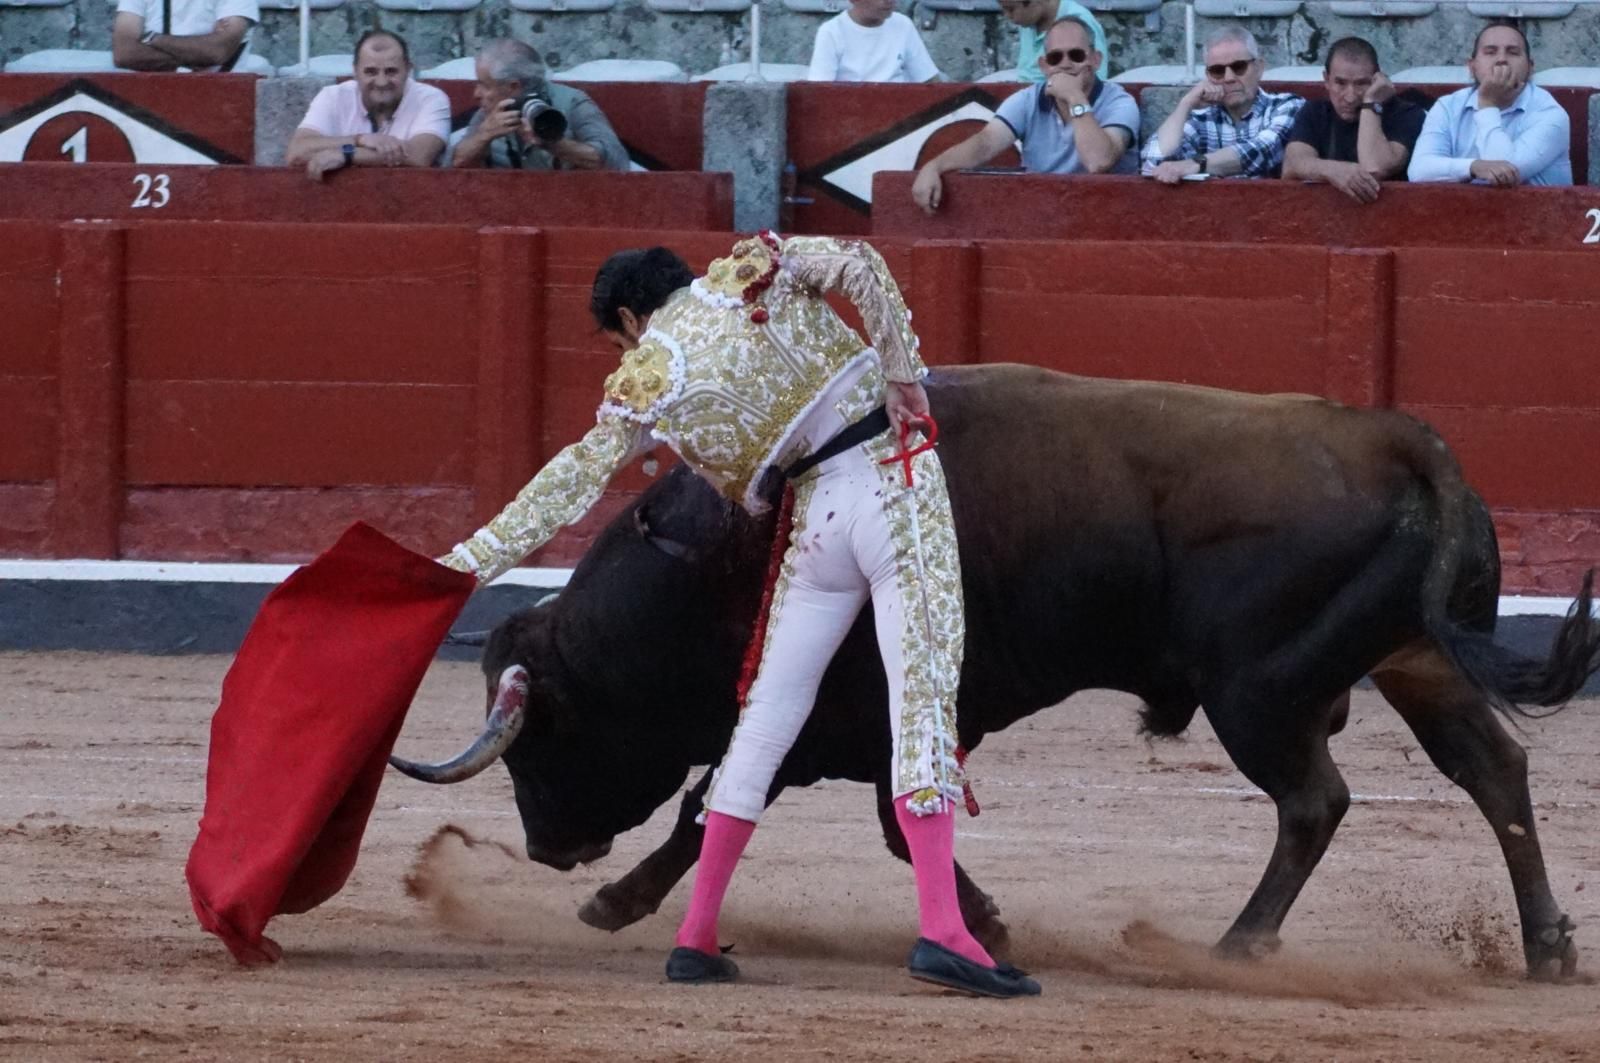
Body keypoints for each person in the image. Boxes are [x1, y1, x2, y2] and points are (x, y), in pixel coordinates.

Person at [440, 234, 1040, 999]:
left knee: (762, 723)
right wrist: (903, 376)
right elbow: (861, 263)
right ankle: (943, 931)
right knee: (920, 702)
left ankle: (694, 934)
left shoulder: (646, 377)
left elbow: (568, 483)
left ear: (630, 316)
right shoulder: (753, 270)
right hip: (893, 486)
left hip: (813, 523)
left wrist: (460, 567)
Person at [911, 16, 1139, 213]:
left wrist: (1075, 98)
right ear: (1043, 65)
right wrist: (935, 166)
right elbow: (985, 143)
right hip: (1043, 212)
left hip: (1106, 215)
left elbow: (1098, 161)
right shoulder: (1027, 100)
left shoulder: (1119, 103)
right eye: (1055, 58)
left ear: (1095, 60)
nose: (1066, 64)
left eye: (1076, 55)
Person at [1407, 21, 1571, 187]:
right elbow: (1419, 171)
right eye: (1490, 52)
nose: (1501, 60)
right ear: (1472, 67)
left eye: (1513, 53)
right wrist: (1473, 167)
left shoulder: (1550, 114)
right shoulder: (1448, 106)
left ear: (1530, 67)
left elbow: (1504, 174)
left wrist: (1488, 104)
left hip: (1533, 211)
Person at [1141, 26, 1303, 183]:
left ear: (1259, 67)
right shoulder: (1200, 120)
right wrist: (1186, 103)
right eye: (1218, 71)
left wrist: (1197, 164)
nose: (1228, 78)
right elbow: (1153, 163)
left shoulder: (1287, 106)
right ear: (1208, 76)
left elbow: (1262, 150)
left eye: (1239, 67)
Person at [285, 31, 451, 182]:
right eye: (371, 72)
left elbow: (419, 155)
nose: (381, 82)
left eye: (391, 71)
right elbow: (297, 152)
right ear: (355, 71)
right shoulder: (332, 96)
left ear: (408, 70)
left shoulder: (431, 98)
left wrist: (347, 154)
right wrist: (360, 140)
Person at [446, 39, 630, 172]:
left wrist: (553, 144)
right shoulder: (488, 113)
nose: (476, 94)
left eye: (484, 85)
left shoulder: (572, 102)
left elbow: (617, 164)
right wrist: (483, 136)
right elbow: (452, 166)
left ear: (513, 86)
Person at [1281, 37, 1426, 204]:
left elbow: (1375, 168)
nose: (1350, 97)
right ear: (1326, 80)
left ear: (1377, 80)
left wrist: (1372, 103)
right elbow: (1292, 165)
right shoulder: (1315, 112)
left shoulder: (1407, 115)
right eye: (1341, 83)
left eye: (1361, 84)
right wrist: (1334, 171)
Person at [807, 0, 942, 83]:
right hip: (852, 112)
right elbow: (820, 91)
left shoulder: (903, 25)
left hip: (899, 111)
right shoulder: (831, 32)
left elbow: (929, 79)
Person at [111, 0, 258, 71]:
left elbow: (217, 52)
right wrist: (199, 53)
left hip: (220, 97)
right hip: (156, 97)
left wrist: (151, 38)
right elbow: (124, 54)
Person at [998, 0, 1108, 82]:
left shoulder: (1079, 22)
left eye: (1011, 9)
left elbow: (1097, 79)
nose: (1007, 16)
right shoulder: (1029, 22)